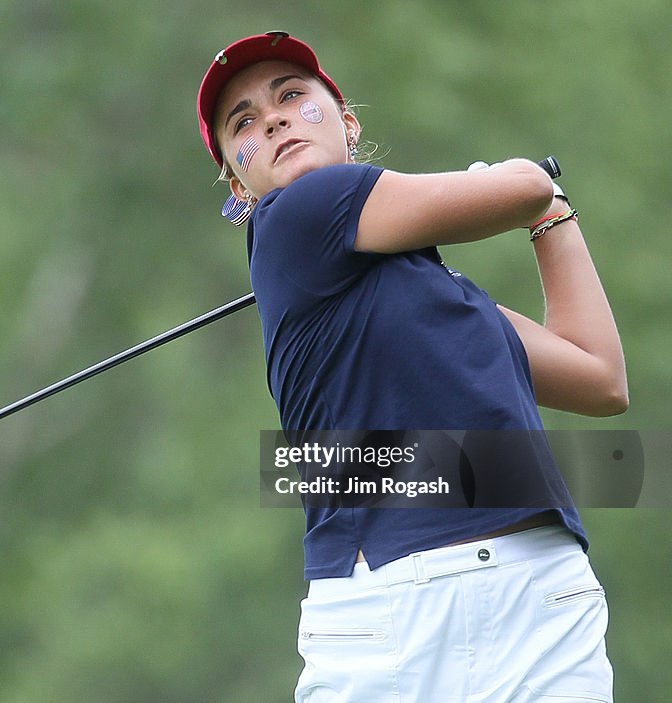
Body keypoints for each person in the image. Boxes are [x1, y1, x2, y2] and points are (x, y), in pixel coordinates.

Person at [196, 32, 628, 702]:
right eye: (244, 122)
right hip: (390, 609)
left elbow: (600, 379)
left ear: (347, 123)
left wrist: (553, 214)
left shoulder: (448, 294)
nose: (274, 118)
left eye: (291, 96)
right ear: (239, 184)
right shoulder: (295, 214)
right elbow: (522, 186)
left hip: (536, 592)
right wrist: (518, 182)